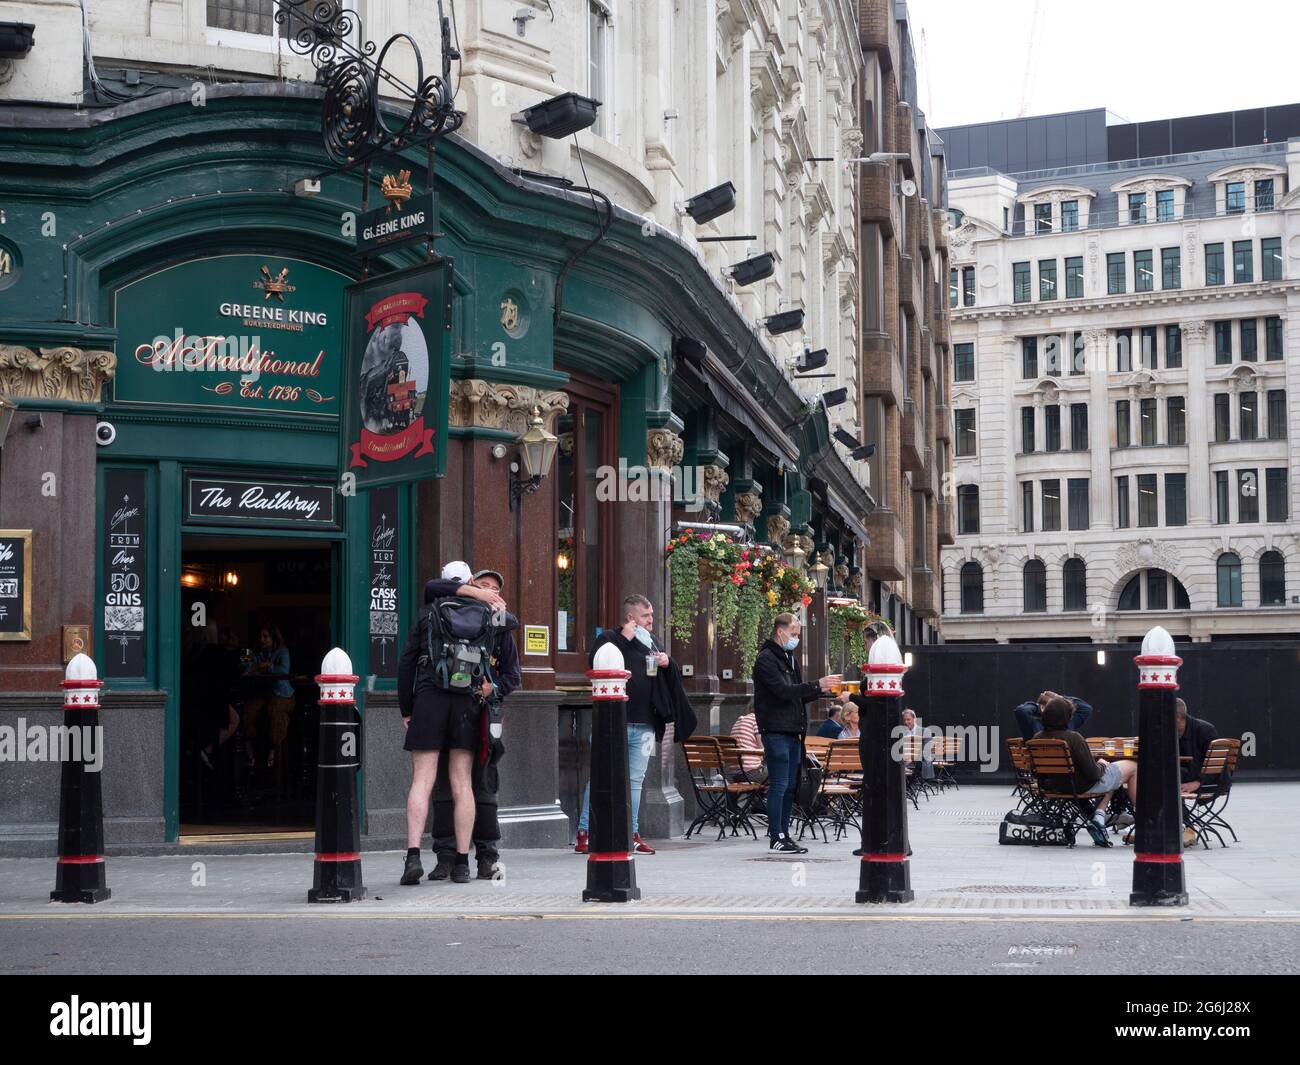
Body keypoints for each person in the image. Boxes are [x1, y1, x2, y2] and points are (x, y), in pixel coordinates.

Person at [398, 561, 509, 885]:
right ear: (471, 581)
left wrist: (408, 708)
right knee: (462, 783)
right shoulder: (485, 614)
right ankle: (462, 862)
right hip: (467, 701)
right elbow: (507, 631)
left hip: (430, 698)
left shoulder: (427, 612)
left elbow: (407, 664)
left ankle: (414, 855)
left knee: (422, 780)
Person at [421, 568, 520, 881]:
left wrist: (494, 688)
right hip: (445, 709)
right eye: (483, 585)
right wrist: (475, 593)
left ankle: (487, 856)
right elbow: (433, 586)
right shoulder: (446, 616)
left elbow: (512, 676)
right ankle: (445, 857)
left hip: (482, 714)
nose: (490, 592)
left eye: (494, 589)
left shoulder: (502, 628)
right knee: (443, 787)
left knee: (484, 785)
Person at [575, 594, 682, 856]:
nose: (651, 622)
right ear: (631, 617)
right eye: (646, 617)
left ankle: (631, 833)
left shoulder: (652, 643)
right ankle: (585, 832)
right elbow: (595, 663)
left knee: (636, 780)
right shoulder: (610, 639)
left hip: (645, 723)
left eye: (652, 616)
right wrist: (625, 637)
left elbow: (667, 676)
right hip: (613, 722)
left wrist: (668, 663)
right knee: (600, 776)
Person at [751, 613, 839, 854]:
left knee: (790, 785)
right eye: (794, 634)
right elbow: (782, 691)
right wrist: (815, 685)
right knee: (779, 784)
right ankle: (776, 836)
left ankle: (784, 833)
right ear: (780, 632)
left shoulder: (789, 659)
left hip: (792, 731)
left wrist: (822, 691)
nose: (796, 639)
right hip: (776, 730)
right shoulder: (766, 659)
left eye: (798, 635)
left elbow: (796, 694)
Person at [1036, 695, 1136, 846]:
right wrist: (1102, 764)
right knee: (1133, 766)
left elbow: (1037, 773)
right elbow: (1093, 774)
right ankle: (1145, 823)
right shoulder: (1073, 738)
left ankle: (1100, 817)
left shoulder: (1037, 738)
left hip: (1058, 787)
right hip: (1083, 786)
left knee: (1114, 777)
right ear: (1067, 717)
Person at [240, 625, 294, 769]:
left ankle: (273, 752)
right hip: (261, 693)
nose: (261, 639)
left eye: (265, 636)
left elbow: (283, 670)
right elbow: (244, 669)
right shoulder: (255, 653)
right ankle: (250, 754)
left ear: (273, 638)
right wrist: (255, 666)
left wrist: (267, 667)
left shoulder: (283, 652)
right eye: (260, 637)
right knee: (248, 711)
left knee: (275, 712)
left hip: (281, 693)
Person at [1177, 698, 1219, 847]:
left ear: (1177, 717)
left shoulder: (1205, 730)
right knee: (1162, 778)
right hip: (1186, 776)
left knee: (1170, 780)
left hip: (1210, 782)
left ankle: (1187, 827)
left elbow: (1217, 765)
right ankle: (1155, 827)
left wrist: (1198, 782)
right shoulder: (1171, 734)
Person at [1014, 690, 1093, 741]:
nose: (1056, 709)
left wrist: (1061, 699)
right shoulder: (1033, 725)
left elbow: (1086, 709)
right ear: (1042, 707)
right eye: (1051, 706)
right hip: (1061, 766)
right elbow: (1021, 710)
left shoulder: (1068, 722)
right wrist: (1038, 707)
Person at [729, 711, 766, 778]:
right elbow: (763, 747)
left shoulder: (739, 721)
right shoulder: (756, 719)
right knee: (781, 770)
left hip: (734, 774)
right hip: (751, 773)